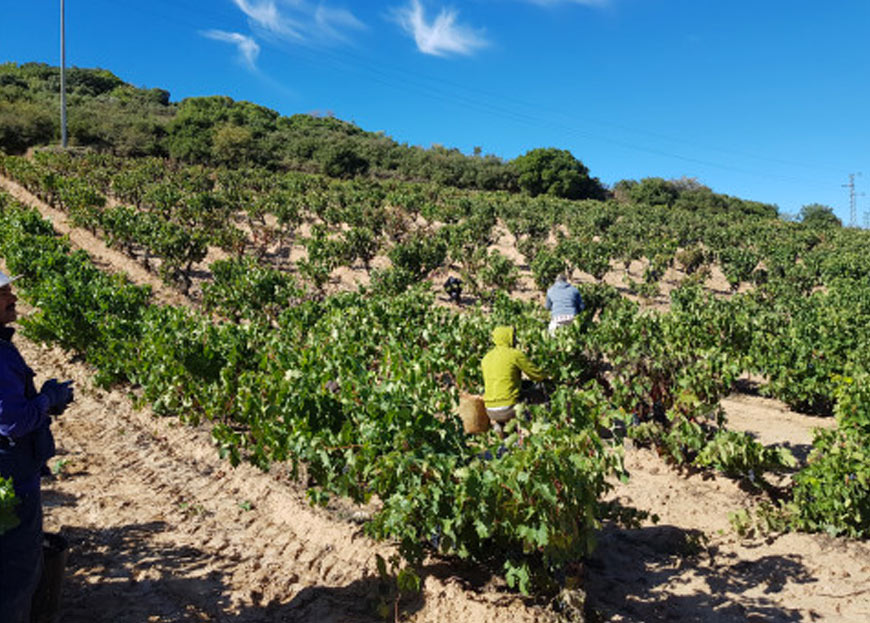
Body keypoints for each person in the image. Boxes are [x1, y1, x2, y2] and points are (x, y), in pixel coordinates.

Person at [0, 270, 73, 623]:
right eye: (3, 294)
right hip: (13, 480)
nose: (12, 298)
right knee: (16, 576)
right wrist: (47, 399)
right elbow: (11, 421)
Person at [481, 326, 546, 433]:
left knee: (514, 389)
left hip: (490, 410)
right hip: (509, 407)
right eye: (514, 337)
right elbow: (536, 375)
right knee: (537, 393)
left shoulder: (486, 358)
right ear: (508, 338)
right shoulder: (514, 354)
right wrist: (548, 376)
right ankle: (526, 426)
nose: (516, 341)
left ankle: (500, 425)